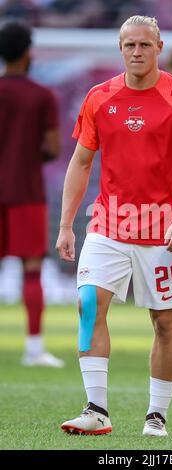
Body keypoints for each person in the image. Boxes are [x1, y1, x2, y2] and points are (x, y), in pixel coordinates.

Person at [56, 15, 172, 437]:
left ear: (159, 46)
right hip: (108, 224)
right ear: (120, 48)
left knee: (166, 322)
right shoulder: (98, 97)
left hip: (164, 231)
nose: (137, 52)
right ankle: (95, 409)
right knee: (88, 306)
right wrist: (67, 224)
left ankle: (156, 415)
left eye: (145, 45)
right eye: (129, 45)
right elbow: (82, 161)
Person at [0, 21, 64, 368]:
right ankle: (34, 347)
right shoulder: (42, 95)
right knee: (31, 270)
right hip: (26, 190)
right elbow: (53, 148)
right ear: (28, 53)